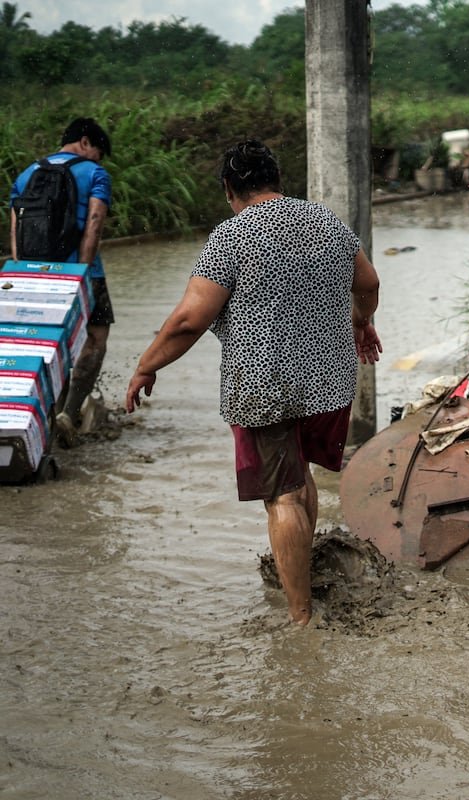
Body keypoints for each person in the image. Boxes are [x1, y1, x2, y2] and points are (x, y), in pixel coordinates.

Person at [124, 139, 382, 626]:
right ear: (278, 180)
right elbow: (367, 284)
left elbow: (188, 321)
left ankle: (301, 618)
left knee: (281, 496)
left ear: (229, 188)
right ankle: (302, 581)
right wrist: (361, 321)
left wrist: (146, 365)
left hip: (266, 383)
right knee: (299, 474)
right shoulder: (328, 224)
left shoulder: (232, 236)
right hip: (330, 378)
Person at [9, 117, 114, 445]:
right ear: (85, 142)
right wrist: (79, 275)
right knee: (95, 339)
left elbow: (16, 228)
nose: (97, 159)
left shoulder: (26, 174)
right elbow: (94, 222)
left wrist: (21, 271)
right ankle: (69, 412)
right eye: (97, 151)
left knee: (43, 344)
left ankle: (39, 416)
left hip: (31, 275)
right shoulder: (95, 173)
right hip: (83, 274)